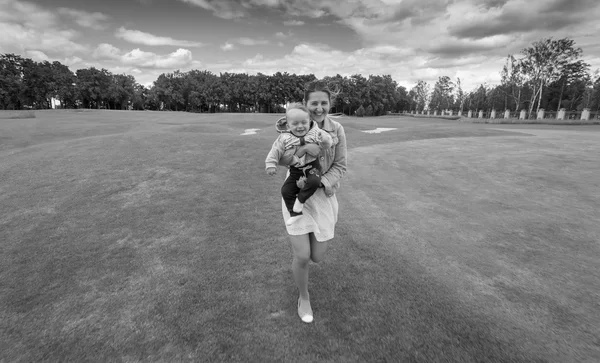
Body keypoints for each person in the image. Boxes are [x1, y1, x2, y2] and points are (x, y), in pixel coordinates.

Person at [267, 80, 347, 323]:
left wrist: (320, 181)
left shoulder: (336, 130)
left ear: (330, 104)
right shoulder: (292, 127)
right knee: (302, 256)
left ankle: (305, 256)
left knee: (317, 256)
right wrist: (298, 154)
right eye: (315, 103)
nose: (319, 108)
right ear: (306, 104)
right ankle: (304, 297)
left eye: (324, 103)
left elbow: (340, 165)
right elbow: (280, 157)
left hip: (322, 196)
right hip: (297, 195)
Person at [265, 103, 333, 226]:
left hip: (313, 167)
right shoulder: (284, 138)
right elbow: (275, 151)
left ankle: (300, 202)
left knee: (314, 182)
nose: (300, 126)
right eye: (295, 124)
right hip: (295, 171)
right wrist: (271, 164)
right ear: (288, 125)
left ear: (309, 121)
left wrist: (324, 139)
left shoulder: (315, 132)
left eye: (303, 122)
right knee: (286, 190)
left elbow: (327, 143)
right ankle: (295, 213)